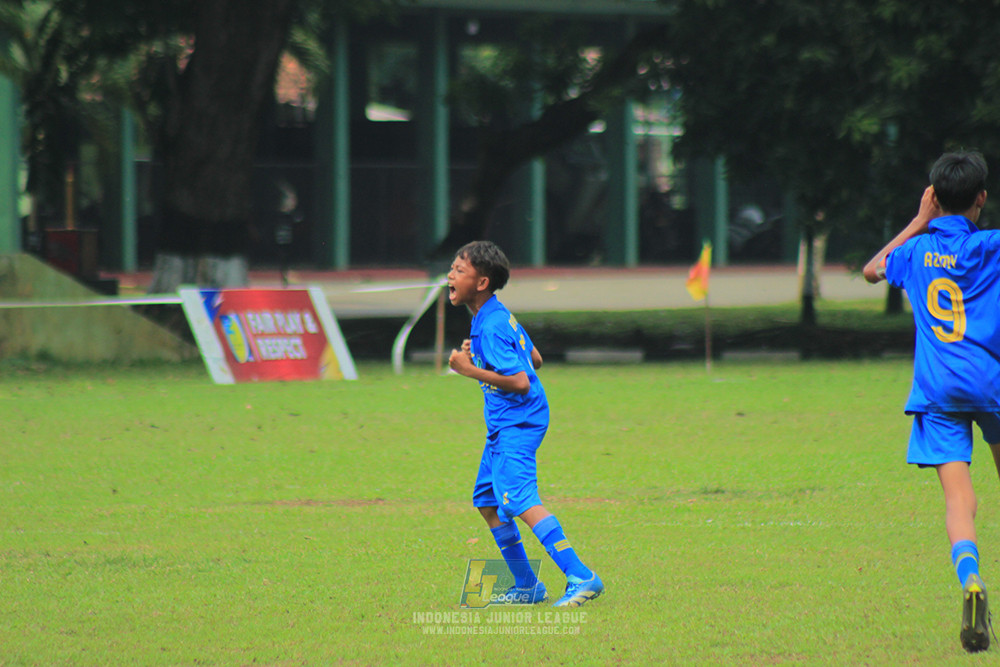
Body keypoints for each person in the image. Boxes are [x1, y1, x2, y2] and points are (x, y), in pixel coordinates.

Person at [863, 150, 999, 653]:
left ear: (934, 198)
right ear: (981, 198)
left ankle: (971, 579)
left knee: (959, 501)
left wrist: (919, 222)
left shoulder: (916, 251)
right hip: (992, 384)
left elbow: (871, 270)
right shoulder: (991, 246)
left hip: (939, 390)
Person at [446, 240, 604, 607]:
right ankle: (527, 586)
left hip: (518, 422)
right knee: (487, 501)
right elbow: (535, 358)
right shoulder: (494, 315)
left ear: (481, 282)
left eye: (459, 270)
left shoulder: (492, 325)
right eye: (452, 268)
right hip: (507, 423)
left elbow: (520, 381)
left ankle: (582, 576)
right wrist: (481, 358)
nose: (450, 276)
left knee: (519, 499)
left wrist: (470, 370)